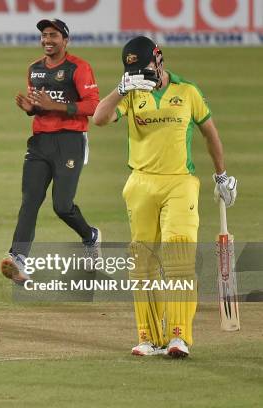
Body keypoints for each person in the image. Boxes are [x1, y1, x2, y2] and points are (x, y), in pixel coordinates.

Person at [92, 36, 237, 358]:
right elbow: (99, 118)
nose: (141, 75)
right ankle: (148, 337)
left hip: (179, 183)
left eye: (143, 68)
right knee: (142, 263)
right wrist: (122, 88)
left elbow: (209, 132)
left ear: (159, 59)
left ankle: (178, 337)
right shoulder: (132, 93)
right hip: (140, 183)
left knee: (179, 256)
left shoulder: (187, 91)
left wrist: (222, 175)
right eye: (132, 71)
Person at [0, 18, 101, 284]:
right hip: (40, 141)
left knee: (62, 206)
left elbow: (93, 105)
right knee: (30, 201)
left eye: (53, 35)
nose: (47, 40)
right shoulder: (34, 69)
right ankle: (18, 258)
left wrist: (55, 106)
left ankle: (90, 236)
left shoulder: (78, 67)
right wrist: (32, 109)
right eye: (44, 35)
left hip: (70, 141)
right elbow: (40, 105)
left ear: (65, 40)